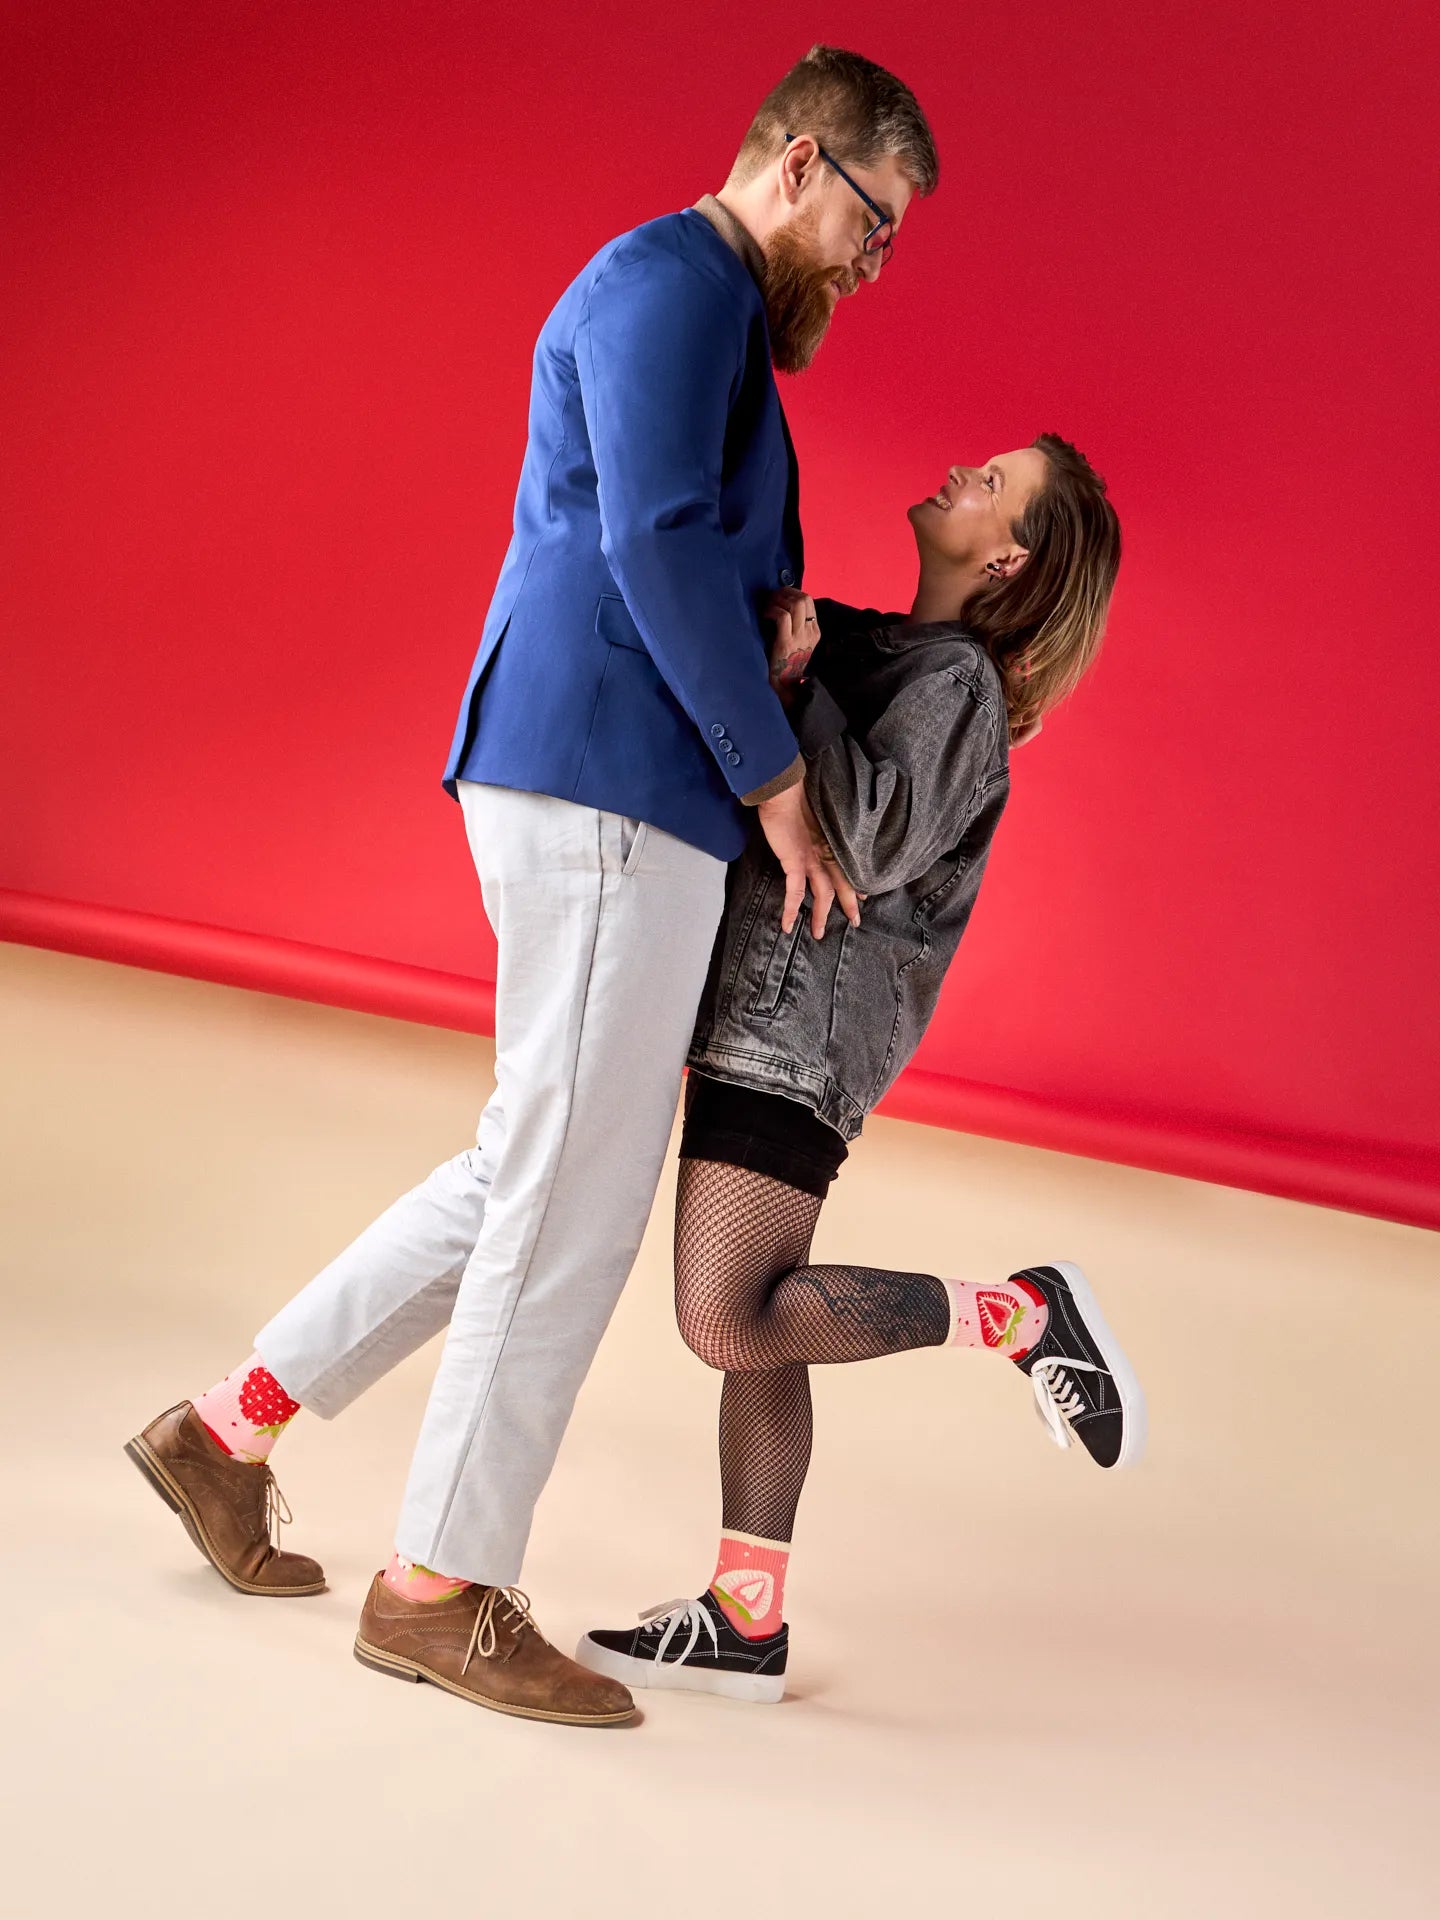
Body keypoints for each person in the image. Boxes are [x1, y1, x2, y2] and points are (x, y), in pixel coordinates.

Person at [124, 47, 941, 1728]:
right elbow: (651, 538)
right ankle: (441, 1587)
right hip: (610, 784)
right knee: (571, 1197)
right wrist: (775, 774)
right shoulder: (676, 282)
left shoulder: (705, 304)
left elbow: (674, 541)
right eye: (874, 220)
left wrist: (772, 630)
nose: (875, 261)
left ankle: (226, 1434)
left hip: (607, 779)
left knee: (528, 1165)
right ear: (800, 161)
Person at [577, 434, 1137, 1704]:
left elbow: (868, 839)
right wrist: (791, 664)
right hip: (752, 1006)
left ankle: (1022, 1316)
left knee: (725, 1318)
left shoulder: (960, 687)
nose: (961, 473)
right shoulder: (880, 644)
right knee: (766, 1318)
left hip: (804, 1032)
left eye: (993, 484)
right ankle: (747, 1619)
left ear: (1009, 559)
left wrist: (794, 681)